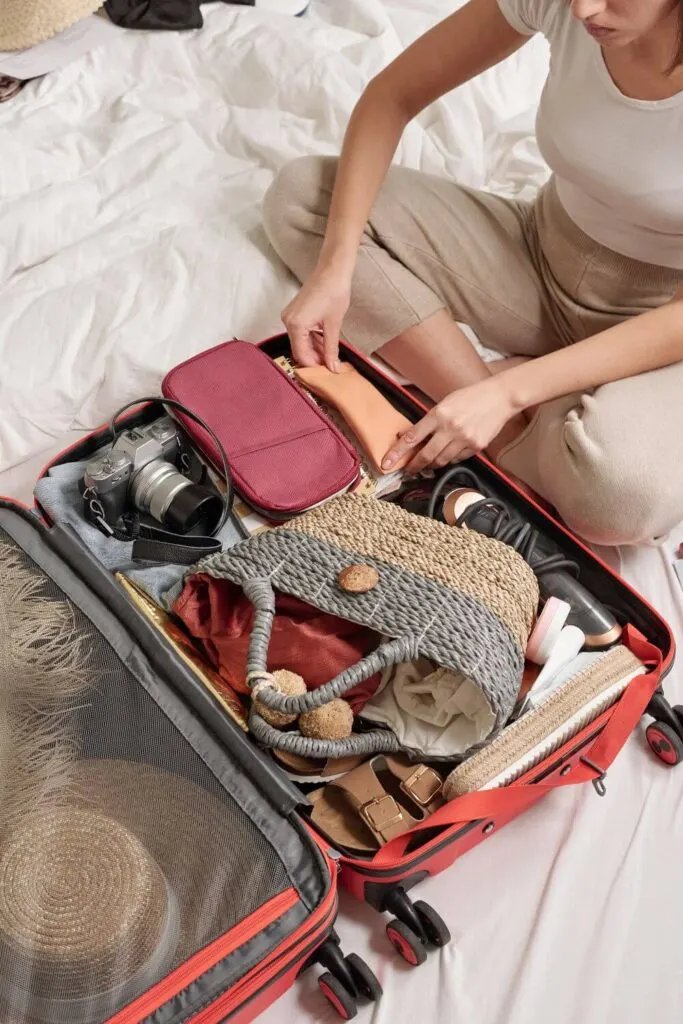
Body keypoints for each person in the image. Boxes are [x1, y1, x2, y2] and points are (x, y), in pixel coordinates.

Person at [262, 0, 683, 547]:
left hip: (658, 330)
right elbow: (393, 95)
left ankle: (518, 404)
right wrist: (338, 265)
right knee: (305, 198)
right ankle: (519, 431)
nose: (584, 9)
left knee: (618, 498)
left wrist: (510, 392)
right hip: (541, 255)